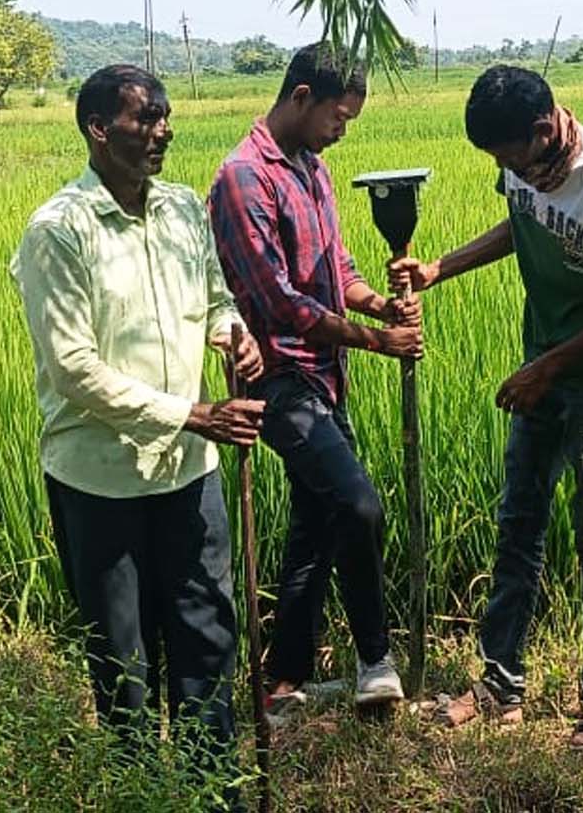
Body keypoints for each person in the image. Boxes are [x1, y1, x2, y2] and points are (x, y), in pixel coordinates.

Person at [11, 64, 265, 782]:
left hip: (191, 471)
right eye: (145, 118)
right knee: (123, 662)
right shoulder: (59, 231)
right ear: (99, 128)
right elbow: (73, 368)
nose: (164, 129)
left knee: (207, 638)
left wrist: (232, 331)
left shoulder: (184, 208)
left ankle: (211, 790)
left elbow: (216, 297)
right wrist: (192, 413)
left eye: (165, 115)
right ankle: (140, 793)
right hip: (102, 480)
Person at [390, 64, 583, 747]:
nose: (508, 169)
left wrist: (549, 366)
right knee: (519, 522)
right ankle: (500, 682)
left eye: (510, 156)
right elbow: (520, 223)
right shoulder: (522, 167)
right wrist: (439, 267)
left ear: (544, 131)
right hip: (541, 365)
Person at [208, 43, 423, 720]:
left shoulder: (314, 168)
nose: (342, 129)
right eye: (338, 115)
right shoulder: (243, 179)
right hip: (279, 382)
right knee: (358, 505)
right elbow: (279, 303)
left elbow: (336, 266)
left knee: (316, 526)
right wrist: (378, 340)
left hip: (326, 379)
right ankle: (374, 660)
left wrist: (375, 303)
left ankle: (285, 681)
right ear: (301, 97)